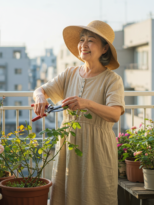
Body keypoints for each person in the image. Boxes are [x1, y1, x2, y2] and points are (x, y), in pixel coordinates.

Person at [33, 20, 125, 205]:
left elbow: (115, 114)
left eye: (90, 40)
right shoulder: (70, 73)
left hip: (97, 147)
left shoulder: (112, 79)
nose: (83, 44)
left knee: (97, 195)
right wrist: (40, 98)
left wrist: (87, 104)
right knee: (66, 193)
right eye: (81, 40)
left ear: (105, 48)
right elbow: (39, 90)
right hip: (69, 144)